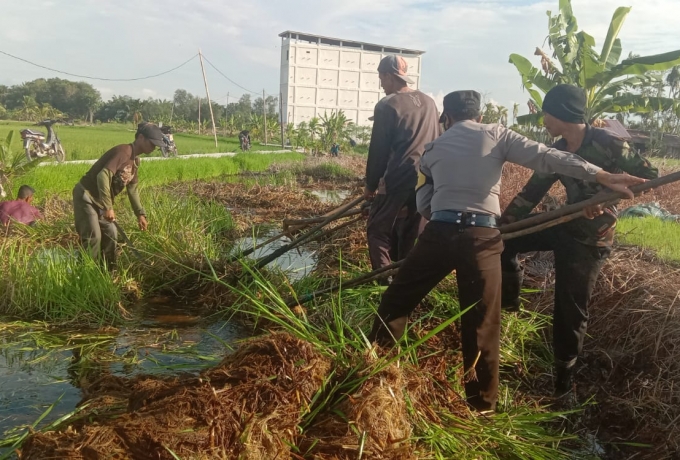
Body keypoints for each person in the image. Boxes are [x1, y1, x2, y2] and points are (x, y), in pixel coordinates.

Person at [367, 90, 646, 413]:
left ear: (448, 118)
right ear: (480, 116)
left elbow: (424, 198)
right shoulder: (498, 134)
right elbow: (548, 158)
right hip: (482, 238)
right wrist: (600, 175)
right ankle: (482, 406)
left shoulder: (433, 148)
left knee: (396, 302)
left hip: (439, 235)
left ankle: (377, 375)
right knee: (482, 325)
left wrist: (438, 209)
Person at [499, 84, 659, 402]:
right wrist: (501, 227)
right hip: (565, 224)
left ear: (562, 113)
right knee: (506, 243)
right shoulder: (558, 151)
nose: (543, 118)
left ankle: (563, 386)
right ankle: (510, 306)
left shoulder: (607, 143)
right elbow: (531, 193)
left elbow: (650, 175)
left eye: (547, 112)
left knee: (569, 309)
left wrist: (604, 196)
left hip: (592, 238)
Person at [365, 55, 440, 273]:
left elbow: (378, 150)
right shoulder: (429, 102)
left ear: (389, 76)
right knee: (410, 229)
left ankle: (384, 278)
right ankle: (403, 276)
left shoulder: (387, 105)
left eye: (381, 78)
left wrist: (370, 185)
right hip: (426, 176)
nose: (381, 84)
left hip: (398, 175)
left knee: (377, 229)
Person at [72, 122, 163, 267]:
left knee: (111, 233)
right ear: (140, 138)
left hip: (101, 202)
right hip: (87, 196)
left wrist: (140, 214)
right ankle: (85, 273)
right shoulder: (124, 151)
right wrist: (108, 207)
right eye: (152, 143)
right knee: (93, 237)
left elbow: (132, 190)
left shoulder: (135, 161)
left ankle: (107, 272)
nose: (153, 148)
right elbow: (102, 176)